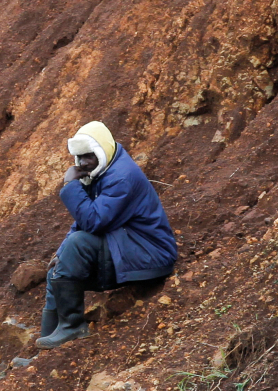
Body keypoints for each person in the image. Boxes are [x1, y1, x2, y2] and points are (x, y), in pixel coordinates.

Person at [37, 121, 177, 349]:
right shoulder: (104, 170)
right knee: (58, 266)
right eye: (79, 158)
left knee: (78, 243)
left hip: (150, 253)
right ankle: (47, 343)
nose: (82, 164)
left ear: (102, 151)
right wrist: (61, 254)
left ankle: (72, 326)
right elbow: (86, 219)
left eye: (88, 157)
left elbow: (93, 221)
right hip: (126, 245)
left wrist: (70, 186)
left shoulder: (121, 177)